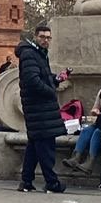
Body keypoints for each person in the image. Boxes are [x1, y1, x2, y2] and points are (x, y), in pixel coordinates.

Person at [15, 24, 66, 193]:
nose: (45, 40)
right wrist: (51, 91)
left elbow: (41, 76)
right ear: (35, 37)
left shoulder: (38, 54)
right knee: (46, 146)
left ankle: (26, 181)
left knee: (35, 145)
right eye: (42, 37)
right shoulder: (30, 54)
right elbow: (32, 81)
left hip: (38, 108)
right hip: (39, 108)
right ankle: (52, 183)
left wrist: (56, 79)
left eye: (48, 38)